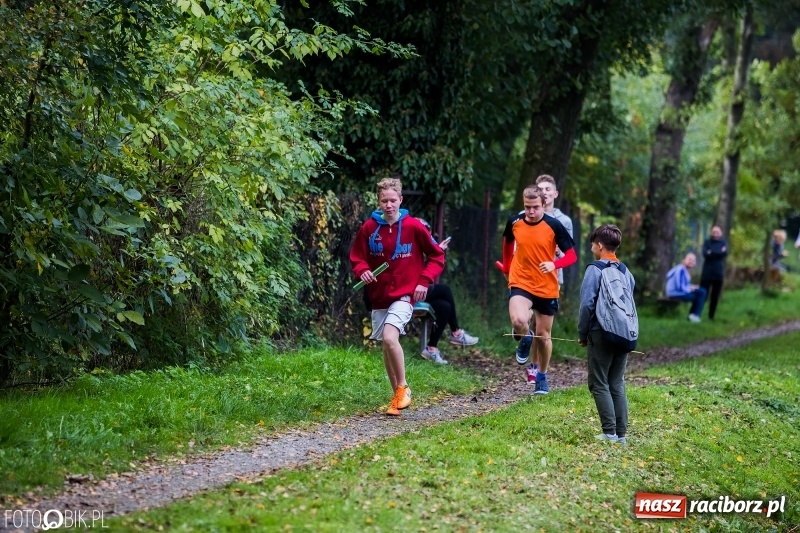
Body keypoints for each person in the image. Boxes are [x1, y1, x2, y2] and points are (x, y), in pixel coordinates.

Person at [350, 178, 445, 416]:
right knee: (386, 345)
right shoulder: (369, 228)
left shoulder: (413, 226)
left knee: (391, 338)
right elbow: (357, 257)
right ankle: (396, 398)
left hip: (404, 295)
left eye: (393, 200)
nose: (389, 205)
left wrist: (424, 281)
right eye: (385, 200)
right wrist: (363, 270)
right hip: (378, 296)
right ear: (379, 201)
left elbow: (436, 256)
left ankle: (403, 387)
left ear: (401, 200)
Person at [496, 186, 577, 394]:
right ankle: (525, 337)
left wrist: (554, 265)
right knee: (518, 321)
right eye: (527, 207)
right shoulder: (515, 222)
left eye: (535, 208)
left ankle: (541, 375)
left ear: (543, 205)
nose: (530, 212)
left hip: (546, 286)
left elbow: (571, 256)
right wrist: (506, 267)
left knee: (544, 335)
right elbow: (507, 243)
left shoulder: (554, 225)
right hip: (521, 281)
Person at [578, 224, 633, 445]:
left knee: (599, 382)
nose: (592, 247)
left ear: (600, 245)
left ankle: (608, 432)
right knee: (617, 382)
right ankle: (621, 435)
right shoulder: (625, 271)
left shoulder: (595, 269)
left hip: (600, 332)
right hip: (624, 332)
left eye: (593, 243)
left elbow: (586, 305)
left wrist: (583, 333)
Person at [529, 174, 574, 385]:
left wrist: (556, 254)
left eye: (548, 189)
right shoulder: (525, 216)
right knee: (526, 320)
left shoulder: (563, 221)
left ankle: (537, 367)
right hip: (527, 277)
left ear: (555, 194)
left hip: (552, 278)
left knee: (542, 329)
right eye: (541, 189)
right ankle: (531, 362)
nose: (545, 192)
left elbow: (568, 252)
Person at [416, 219, 479, 365]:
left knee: (445, 307)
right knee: (445, 290)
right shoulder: (407, 245)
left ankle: (431, 349)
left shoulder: (424, 246)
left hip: (420, 291)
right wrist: (436, 251)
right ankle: (456, 333)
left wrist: (437, 251)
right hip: (409, 291)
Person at [665, 252, 707, 323]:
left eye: (693, 260)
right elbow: (679, 286)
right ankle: (694, 316)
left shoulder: (685, 270)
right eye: (690, 259)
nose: (691, 262)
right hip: (674, 293)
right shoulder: (680, 270)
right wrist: (690, 289)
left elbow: (684, 284)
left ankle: (693, 315)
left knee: (701, 291)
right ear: (684, 260)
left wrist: (691, 287)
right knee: (698, 295)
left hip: (679, 292)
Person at [699, 225, 728, 321]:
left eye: (717, 232)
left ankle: (711, 317)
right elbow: (705, 254)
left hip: (718, 273)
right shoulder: (707, 242)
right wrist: (717, 252)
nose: (715, 234)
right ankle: (697, 314)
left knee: (715, 296)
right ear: (711, 232)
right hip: (707, 273)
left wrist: (712, 252)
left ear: (721, 233)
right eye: (714, 232)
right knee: (703, 294)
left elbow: (724, 253)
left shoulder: (723, 242)